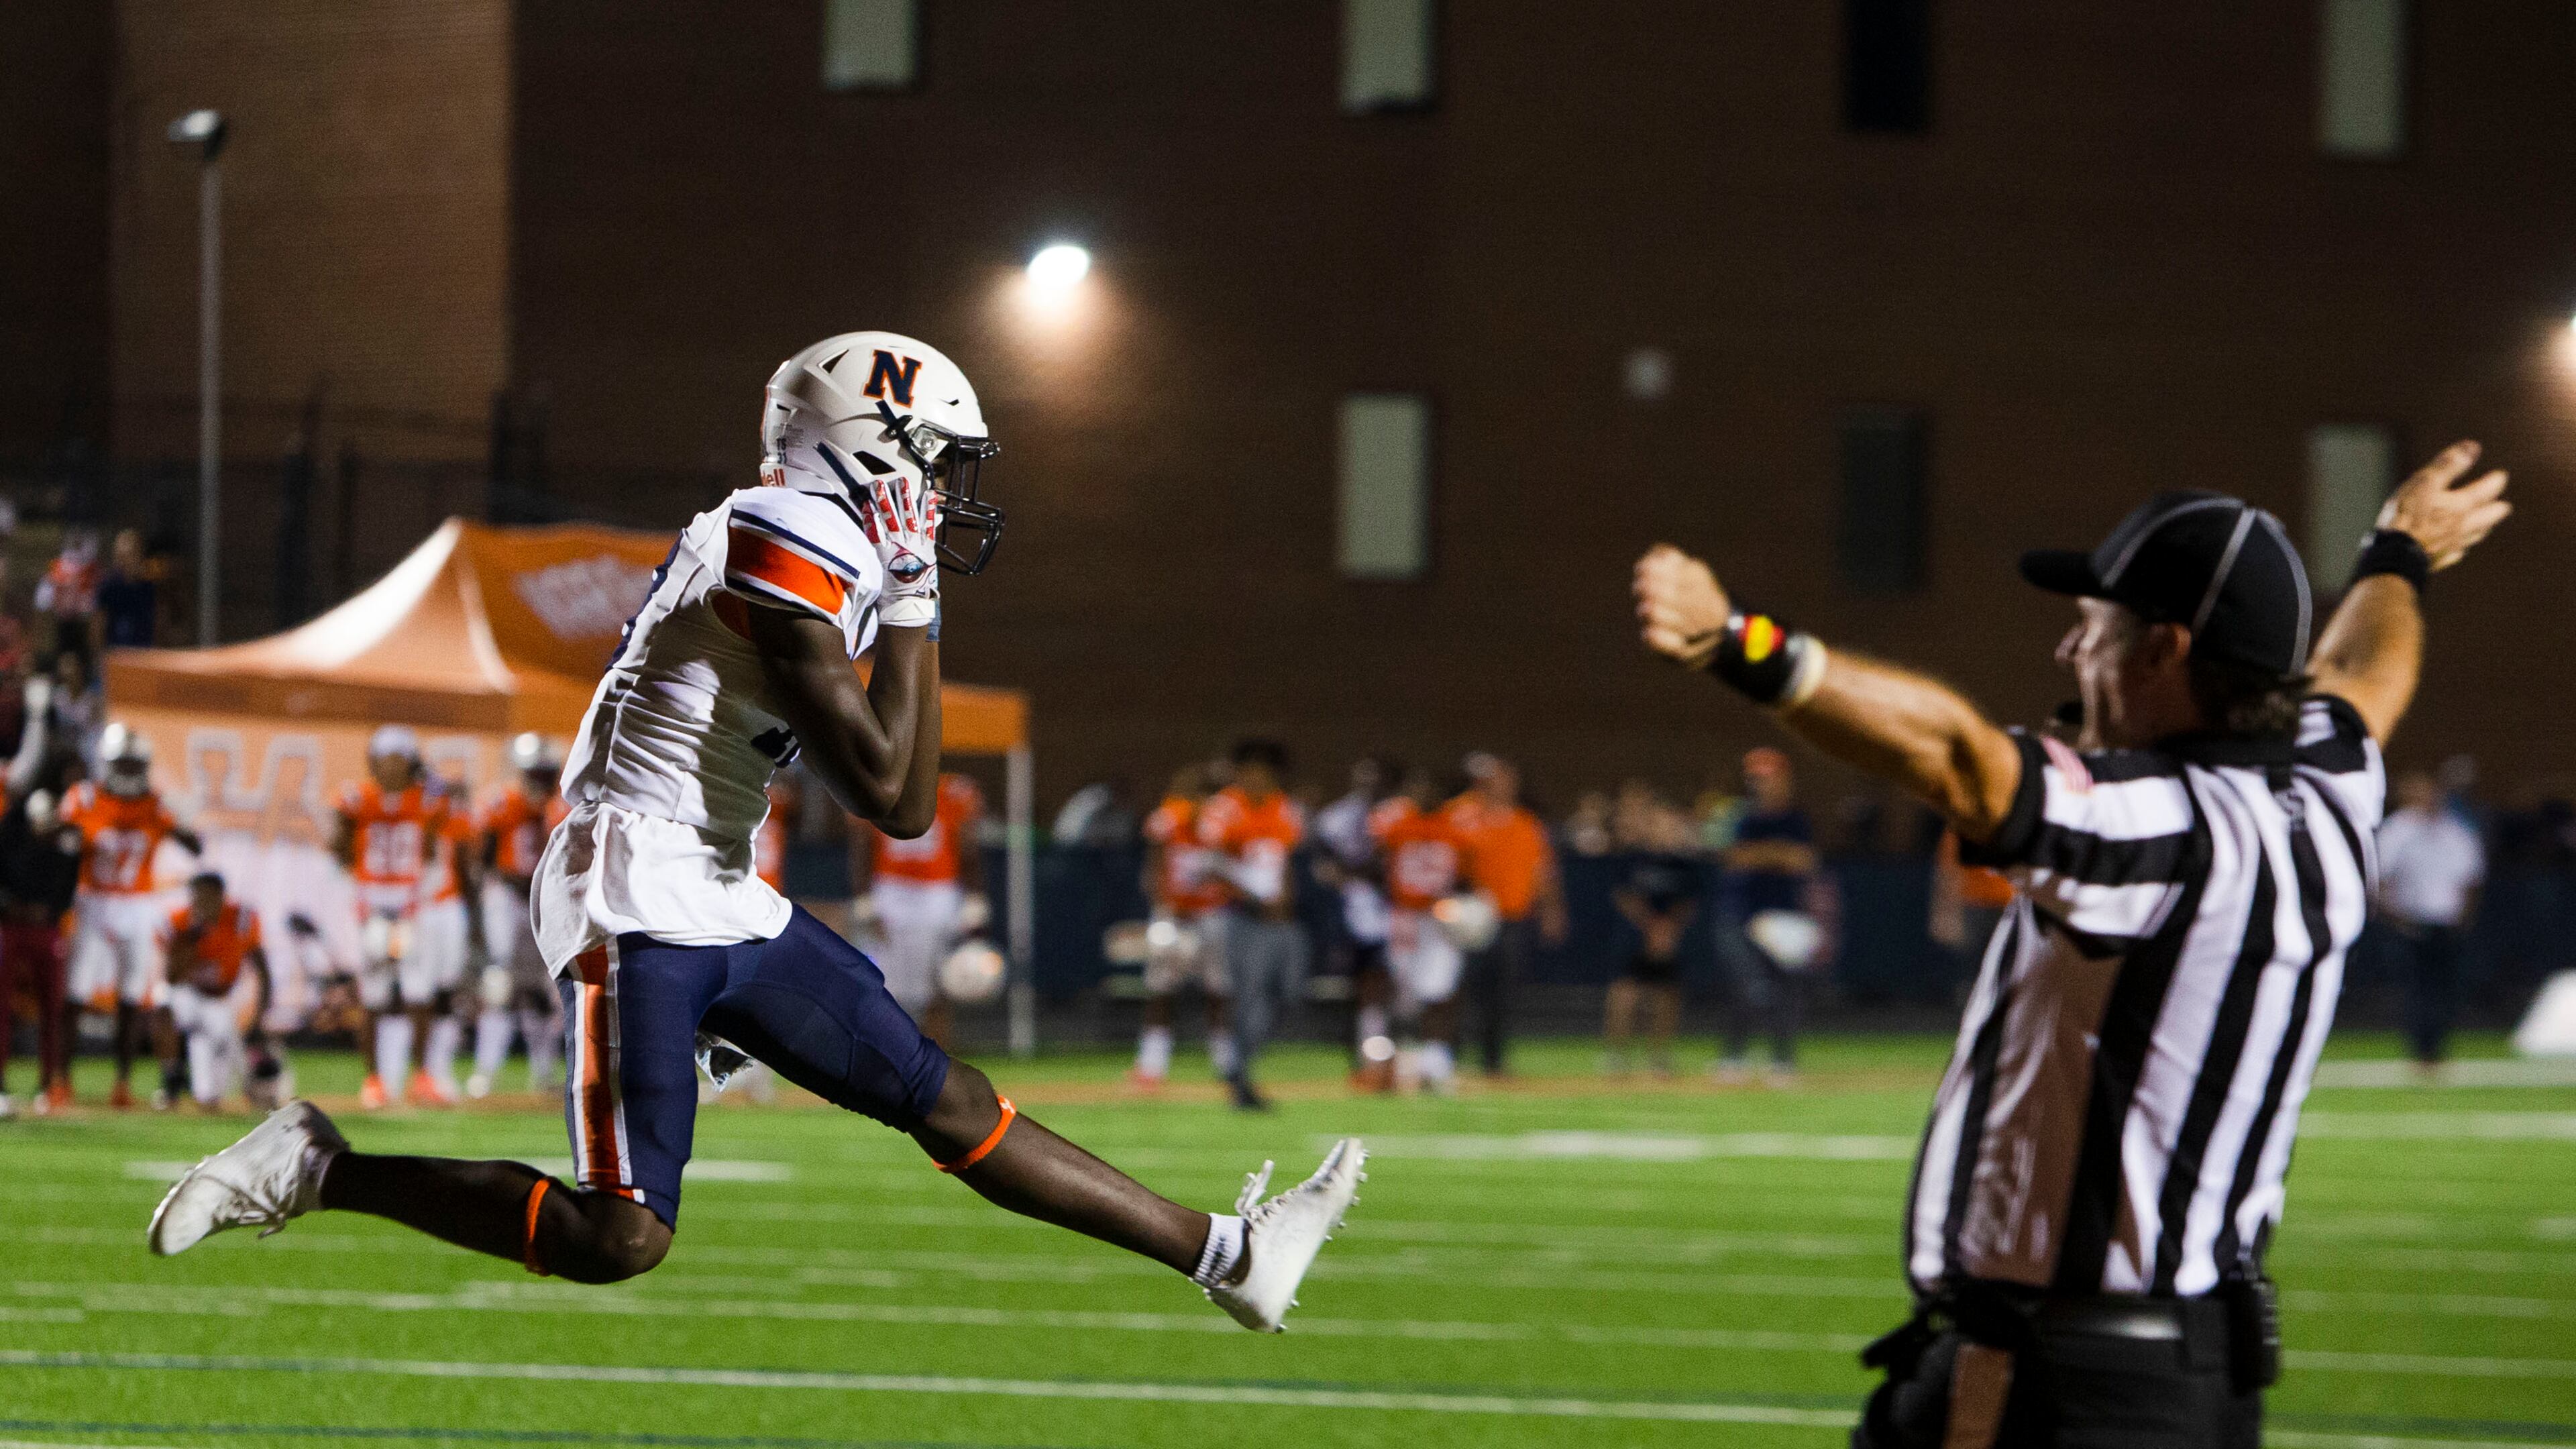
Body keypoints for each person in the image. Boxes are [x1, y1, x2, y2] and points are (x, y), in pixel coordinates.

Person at [152, 330, 1362, 1336]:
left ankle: (1229, 1259)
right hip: (636, 886)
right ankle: (317, 1165)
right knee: (617, 1238)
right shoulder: (787, 533)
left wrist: (901, 591)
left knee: (946, 1099)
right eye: (933, 461)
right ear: (871, 451)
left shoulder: (818, 542)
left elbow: (887, 770)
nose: (945, 491)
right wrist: (916, 599)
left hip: (717, 881)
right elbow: (895, 798)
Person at [1635, 439, 2509, 1448]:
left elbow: (1960, 759)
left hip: (2069, 1383)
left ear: (2163, 650)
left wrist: (1739, 643)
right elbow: (2364, 667)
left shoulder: (2165, 826)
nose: (2067, 653)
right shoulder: (2326, 781)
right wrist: (2398, 555)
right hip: (2196, 1373)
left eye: (2091, 628)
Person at [62, 723, 199, 1108]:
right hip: (94, 898)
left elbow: (194, 843)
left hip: (138, 903)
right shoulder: (85, 797)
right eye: (120, 762)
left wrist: (183, 824)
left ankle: (122, 1083)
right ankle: (61, 1080)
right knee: (75, 992)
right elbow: (54, 833)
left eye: (132, 763)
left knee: (131, 996)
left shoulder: (155, 804)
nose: (126, 771)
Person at [335, 724, 455, 1109]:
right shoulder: (358, 799)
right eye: (386, 758)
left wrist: (419, 897)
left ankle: (421, 1076)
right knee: (373, 992)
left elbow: (433, 855)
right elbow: (339, 850)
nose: (391, 767)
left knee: (418, 989)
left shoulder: (426, 801)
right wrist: (359, 894)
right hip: (372, 901)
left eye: (399, 759)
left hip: (409, 901)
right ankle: (373, 1080)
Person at [1198, 737, 1307, 1111]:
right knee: (1248, 998)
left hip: (1278, 920)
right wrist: (1253, 898)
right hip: (1240, 917)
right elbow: (1211, 864)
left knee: (1288, 992)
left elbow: (1286, 862)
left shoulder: (1284, 808)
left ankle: (1238, 1066)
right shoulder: (1225, 808)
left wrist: (1285, 905)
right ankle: (1240, 1077)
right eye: (1252, 771)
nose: (1259, 778)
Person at [1442, 753, 1565, 1078]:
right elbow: (1445, 863)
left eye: (1505, 779)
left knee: (1502, 991)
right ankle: (1446, 1055)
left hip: (1512, 917)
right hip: (1471, 917)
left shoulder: (1526, 822)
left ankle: (1493, 1059)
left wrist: (1551, 909)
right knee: (1461, 988)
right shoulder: (1461, 814)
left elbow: (1543, 870)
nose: (1501, 785)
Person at [470, 733, 570, 1098]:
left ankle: (542, 1075)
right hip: (508, 898)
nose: (542, 781)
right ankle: (485, 1072)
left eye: (547, 773)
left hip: (544, 900)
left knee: (544, 990)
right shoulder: (503, 802)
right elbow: (485, 860)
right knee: (501, 985)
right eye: (537, 772)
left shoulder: (561, 807)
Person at [857, 771, 986, 1045]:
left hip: (939, 890)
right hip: (890, 887)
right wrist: (864, 898)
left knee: (941, 983)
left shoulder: (954, 791)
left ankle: (938, 1064)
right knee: (884, 986)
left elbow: (967, 847)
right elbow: (862, 842)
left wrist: (974, 897)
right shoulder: (882, 784)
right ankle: (890, 1058)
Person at [1371, 766, 1474, 1093]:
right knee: (1402, 992)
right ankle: (1393, 1066)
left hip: (1440, 919)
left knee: (1441, 991)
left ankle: (1437, 1063)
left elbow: (1468, 874)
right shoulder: (1395, 820)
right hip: (1405, 917)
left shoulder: (1457, 825)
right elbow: (1375, 861)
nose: (1422, 794)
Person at [2374, 769, 2485, 1072]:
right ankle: (2421, 1049)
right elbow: (2382, 878)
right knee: (2416, 988)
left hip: (2447, 922)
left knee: (2445, 988)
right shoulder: (2397, 830)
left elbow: (2471, 877)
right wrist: (2396, 917)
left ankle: (2437, 1047)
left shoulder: (2454, 830)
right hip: (2410, 922)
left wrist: (2464, 916)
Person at [1719, 746, 1819, 1083]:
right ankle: (1733, 1058)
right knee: (1748, 987)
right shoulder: (1738, 817)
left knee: (1787, 989)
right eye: (1756, 779)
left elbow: (1804, 862)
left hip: (1784, 918)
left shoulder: (1796, 819)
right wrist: (1778, 854)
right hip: (1743, 915)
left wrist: (1760, 854)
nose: (1761, 785)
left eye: (1768, 777)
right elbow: (1733, 858)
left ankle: (1782, 1061)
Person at [1130, 763, 1232, 1088]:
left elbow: (1230, 870)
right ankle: (1151, 1065)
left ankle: (1228, 1064)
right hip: (1173, 916)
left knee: (1219, 991)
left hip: (1211, 916)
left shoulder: (1222, 822)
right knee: (1161, 990)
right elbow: (1154, 868)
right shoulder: (1169, 819)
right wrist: (1165, 907)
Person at [1311, 757, 1398, 1090]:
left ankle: (1403, 1062)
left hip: (1397, 912)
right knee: (1365, 990)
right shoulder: (1338, 817)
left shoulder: (1398, 816)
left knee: (1400, 991)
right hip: (1355, 912)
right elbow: (1325, 865)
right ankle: (1369, 1061)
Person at [158, 871, 270, 1112]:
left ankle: (243, 1088)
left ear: (221, 897)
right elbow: (171, 977)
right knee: (163, 1002)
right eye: (197, 897)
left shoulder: (241, 918)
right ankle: (171, 1077)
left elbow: (261, 967)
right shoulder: (182, 921)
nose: (201, 903)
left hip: (222, 999)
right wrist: (192, 938)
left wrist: (261, 1014)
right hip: (189, 994)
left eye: (207, 897)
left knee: (217, 1050)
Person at [0, 784, 81, 1115]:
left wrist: (50, 910)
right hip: (12, 928)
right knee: (2, 1008)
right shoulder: (12, 843)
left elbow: (66, 890)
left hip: (46, 930)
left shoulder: (63, 850)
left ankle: (49, 1083)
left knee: (53, 1007)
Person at [1606, 807, 1700, 1077]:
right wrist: (1650, 926)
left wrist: (1668, 928)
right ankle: (1616, 1056)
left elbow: (1690, 901)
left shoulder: (1683, 864)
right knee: (1625, 993)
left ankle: (1659, 1056)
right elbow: (1623, 896)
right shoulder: (1634, 858)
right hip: (1635, 936)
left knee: (1667, 995)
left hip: (1669, 939)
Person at [413, 772, 486, 1101]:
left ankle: (431, 1070)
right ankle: (424, 1072)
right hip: (428, 911)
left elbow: (463, 871)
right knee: (424, 993)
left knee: (439, 992)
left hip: (439, 909)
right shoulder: (423, 820)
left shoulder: (449, 823)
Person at [96, 529, 160, 651]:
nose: (128, 561)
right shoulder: (109, 587)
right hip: (117, 653)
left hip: (144, 654)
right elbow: (99, 625)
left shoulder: (148, 587)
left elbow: (156, 624)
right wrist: (101, 656)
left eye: (134, 555)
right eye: (123, 557)